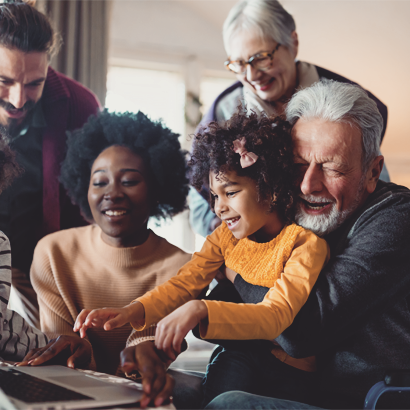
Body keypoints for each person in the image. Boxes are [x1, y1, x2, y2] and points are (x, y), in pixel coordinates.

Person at [117, 80, 410, 410]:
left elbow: (300, 333)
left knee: (230, 405)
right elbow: (222, 303)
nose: (308, 184)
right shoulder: (293, 210)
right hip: (279, 382)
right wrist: (152, 338)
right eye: (299, 165)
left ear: (373, 172)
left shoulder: (397, 217)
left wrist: (232, 267)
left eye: (332, 167)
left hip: (357, 402)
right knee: (150, 395)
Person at [75, 111, 329, 408]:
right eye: (214, 196)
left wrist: (201, 309)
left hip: (290, 373)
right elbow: (185, 283)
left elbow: (276, 317)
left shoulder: (304, 244)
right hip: (237, 354)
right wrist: (131, 311)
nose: (219, 208)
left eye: (230, 193)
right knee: (214, 382)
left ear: (269, 188)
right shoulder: (224, 238)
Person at [189, 0, 389, 237]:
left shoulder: (347, 103)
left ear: (293, 43)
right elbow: (200, 204)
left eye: (261, 58)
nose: (252, 75)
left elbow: (372, 182)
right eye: (239, 64)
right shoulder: (223, 114)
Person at [30, 110, 191, 376]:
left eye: (129, 181)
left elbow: (147, 355)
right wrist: (75, 352)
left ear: (157, 188)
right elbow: (59, 352)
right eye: (99, 182)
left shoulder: (183, 268)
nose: (112, 193)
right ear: (86, 188)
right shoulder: (53, 253)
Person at [0, 2, 100, 328]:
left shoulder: (80, 105)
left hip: (44, 251)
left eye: (33, 84)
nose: (17, 100)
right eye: (4, 81)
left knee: (57, 346)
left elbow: (86, 199)